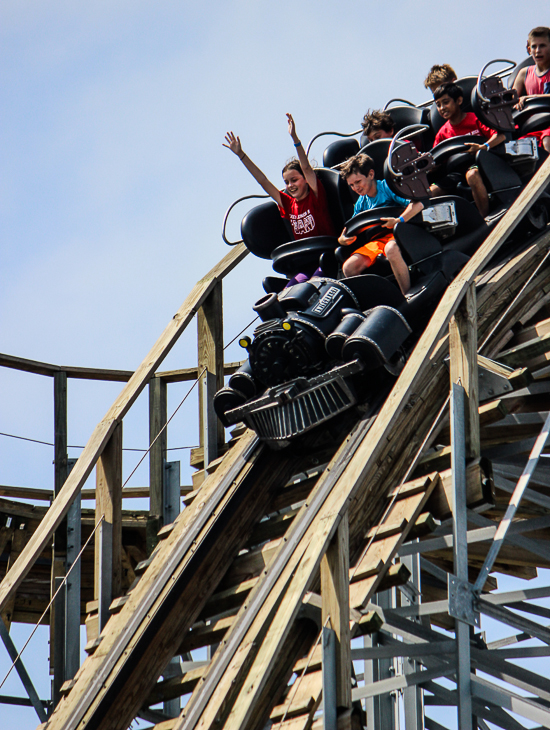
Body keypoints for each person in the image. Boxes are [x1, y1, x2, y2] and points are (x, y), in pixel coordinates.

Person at [224, 115, 335, 286]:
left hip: (327, 256)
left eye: (294, 180)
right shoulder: (288, 204)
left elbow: (305, 167)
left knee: (312, 286)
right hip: (305, 263)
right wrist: (241, 155)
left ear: (305, 179)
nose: (290, 185)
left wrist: (295, 139)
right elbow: (263, 181)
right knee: (291, 290)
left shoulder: (315, 196)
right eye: (286, 182)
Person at [337, 154, 424, 295]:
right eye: (351, 185)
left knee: (391, 249)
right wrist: (342, 239)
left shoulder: (387, 188)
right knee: (349, 267)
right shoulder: (361, 203)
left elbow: (417, 205)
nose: (356, 188)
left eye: (358, 182)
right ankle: (375, 301)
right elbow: (350, 228)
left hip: (400, 234)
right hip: (378, 241)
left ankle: (407, 295)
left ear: (371, 174)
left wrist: (398, 220)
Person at [430, 83, 506, 216]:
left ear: (458, 101)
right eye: (438, 105)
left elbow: (500, 136)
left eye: (446, 102)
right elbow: (437, 160)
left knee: (472, 175)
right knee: (432, 191)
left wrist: (483, 147)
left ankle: (484, 218)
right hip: (458, 172)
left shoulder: (475, 118)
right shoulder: (442, 133)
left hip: (483, 164)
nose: (442, 108)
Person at [513, 26, 550, 153]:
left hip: (549, 125)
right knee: (516, 149)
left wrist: (530, 98)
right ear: (529, 49)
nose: (537, 51)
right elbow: (512, 99)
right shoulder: (524, 73)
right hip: (534, 126)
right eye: (534, 47)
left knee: (547, 140)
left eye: (542, 46)